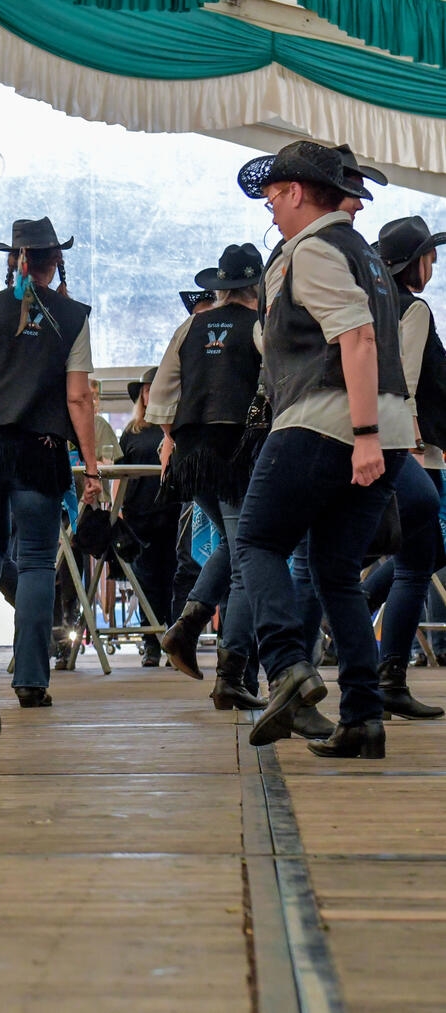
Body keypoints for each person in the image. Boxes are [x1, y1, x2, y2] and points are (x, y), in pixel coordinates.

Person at [234, 140, 413, 758]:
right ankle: (362, 717)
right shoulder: (364, 255)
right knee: (337, 572)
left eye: (272, 198)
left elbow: (356, 339)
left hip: (327, 422)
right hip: (389, 428)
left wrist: (361, 435)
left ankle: (287, 667)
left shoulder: (310, 251)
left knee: (257, 541)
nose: (270, 211)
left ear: (292, 193)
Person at [0, 217, 102, 707]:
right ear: (55, 260)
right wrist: (92, 467)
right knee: (39, 564)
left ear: (11, 261)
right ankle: (32, 681)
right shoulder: (74, 314)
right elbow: (79, 398)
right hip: (42, 453)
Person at [150, 245, 267, 710]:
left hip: (190, 458)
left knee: (229, 543)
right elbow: (272, 386)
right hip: (237, 452)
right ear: (255, 285)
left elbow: (161, 395)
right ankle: (230, 675)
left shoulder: (190, 326)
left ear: (219, 287)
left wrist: (173, 437)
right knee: (247, 561)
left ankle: (186, 625)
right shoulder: (259, 327)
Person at [369, 216, 446, 720]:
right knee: (421, 559)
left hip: (383, 439)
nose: (435, 262)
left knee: (420, 555)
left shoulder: (374, 304)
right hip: (412, 447)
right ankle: (389, 675)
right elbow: (408, 380)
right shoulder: (413, 310)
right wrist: (415, 441)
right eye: (429, 255)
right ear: (413, 263)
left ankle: (361, 613)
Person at [116, 368, 178, 667]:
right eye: (147, 389)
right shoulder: (132, 431)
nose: (150, 393)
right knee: (144, 579)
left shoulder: (175, 428)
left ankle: (173, 639)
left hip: (170, 509)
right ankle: (150, 642)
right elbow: (119, 471)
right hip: (138, 511)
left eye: (156, 387)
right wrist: (118, 508)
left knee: (172, 575)